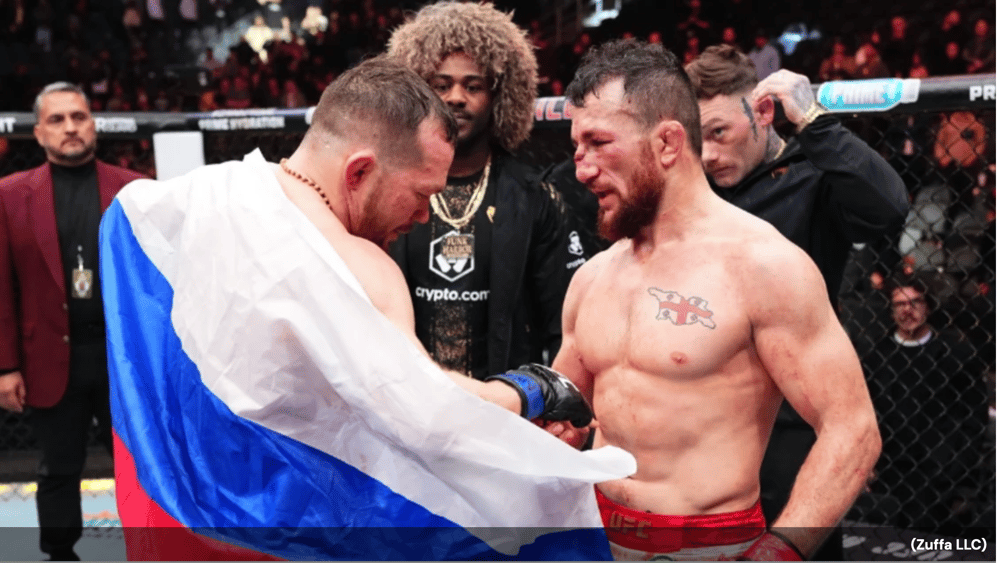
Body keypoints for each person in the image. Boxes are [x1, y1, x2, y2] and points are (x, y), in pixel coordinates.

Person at [102, 57, 626, 561]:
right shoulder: (359, 266)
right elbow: (427, 415)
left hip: (175, 524)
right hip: (287, 535)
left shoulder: (178, 205)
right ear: (359, 172)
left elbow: (130, 243)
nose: (425, 215)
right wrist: (531, 391)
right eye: (421, 193)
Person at [548, 38, 880, 561]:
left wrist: (782, 550)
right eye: (577, 147)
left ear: (667, 143)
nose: (582, 169)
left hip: (712, 546)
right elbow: (563, 415)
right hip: (596, 538)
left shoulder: (763, 265)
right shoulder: (592, 277)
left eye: (598, 143)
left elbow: (853, 429)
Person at [685, 45, 907, 560]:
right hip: (703, 422)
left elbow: (889, 207)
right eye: (698, 139)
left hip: (790, 422)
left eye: (719, 133)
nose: (708, 154)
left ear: (762, 113)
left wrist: (814, 121)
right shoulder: (694, 189)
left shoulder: (812, 178)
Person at [386, 1, 579, 380]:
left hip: (504, 405)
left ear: (499, 97)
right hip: (405, 402)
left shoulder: (536, 197)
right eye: (441, 85)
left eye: (473, 86)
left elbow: (563, 330)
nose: (456, 97)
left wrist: (541, 401)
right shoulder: (389, 191)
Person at [0, 82, 146, 561]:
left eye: (79, 117)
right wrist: (5, 367)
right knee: (58, 468)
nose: (70, 128)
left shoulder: (134, 189)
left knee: (139, 466)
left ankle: (149, 547)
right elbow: (2, 289)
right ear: (39, 133)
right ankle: (60, 553)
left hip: (121, 359)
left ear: (94, 125)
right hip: (47, 354)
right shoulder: (9, 195)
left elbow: (154, 283)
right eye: (57, 120)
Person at [863, 273, 990, 535]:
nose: (907, 310)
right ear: (891, 310)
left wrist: (959, 471)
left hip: (938, 472)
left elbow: (974, 416)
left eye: (915, 302)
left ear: (928, 306)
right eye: (900, 304)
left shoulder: (954, 354)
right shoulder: (877, 356)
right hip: (888, 466)